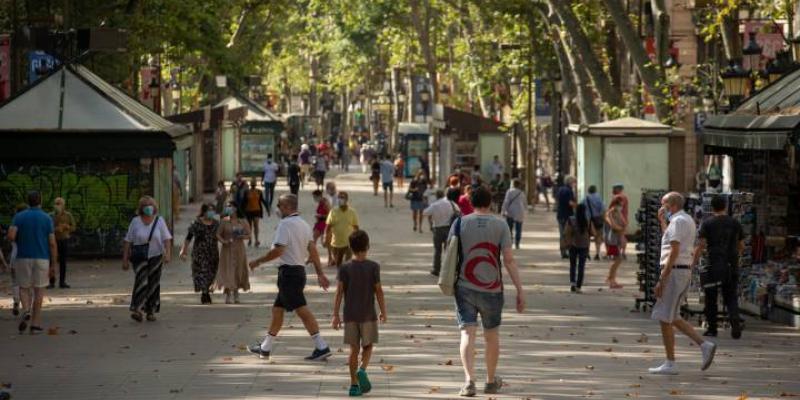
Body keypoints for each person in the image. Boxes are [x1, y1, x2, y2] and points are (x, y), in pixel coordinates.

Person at [449, 186, 525, 397]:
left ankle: (469, 381)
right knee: (491, 336)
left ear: (471, 202)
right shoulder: (501, 224)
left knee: (467, 333)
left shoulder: (460, 222)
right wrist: (519, 289)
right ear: (490, 202)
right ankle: (490, 381)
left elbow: (450, 253)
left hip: (464, 287)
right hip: (492, 289)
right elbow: (508, 260)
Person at [248, 194, 332, 361]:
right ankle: (265, 348)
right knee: (277, 310)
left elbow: (278, 251)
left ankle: (321, 346)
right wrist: (320, 273)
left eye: (279, 205)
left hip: (289, 275)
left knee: (302, 309)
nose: (278, 209)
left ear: (287, 207)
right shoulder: (304, 224)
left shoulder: (285, 225)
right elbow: (313, 251)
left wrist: (258, 261)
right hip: (298, 273)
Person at [649, 192, 716, 375]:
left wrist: (663, 277)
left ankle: (671, 362)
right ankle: (705, 345)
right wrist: (662, 222)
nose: (661, 208)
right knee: (673, 316)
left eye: (663, 205)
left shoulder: (678, 221)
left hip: (675, 271)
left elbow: (674, 250)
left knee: (664, 317)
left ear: (672, 205)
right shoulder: (683, 220)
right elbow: (671, 241)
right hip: (681, 270)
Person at [332, 230, 387, 397]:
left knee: (353, 350)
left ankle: (354, 385)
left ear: (350, 247)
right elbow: (379, 291)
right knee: (368, 346)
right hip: (368, 314)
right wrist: (383, 311)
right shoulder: (373, 267)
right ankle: (362, 369)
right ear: (367, 246)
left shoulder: (345, 267)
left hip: (350, 315)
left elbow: (339, 292)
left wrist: (335, 315)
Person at [692, 195, 744, 339]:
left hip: (714, 264)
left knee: (711, 297)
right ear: (726, 206)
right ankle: (735, 322)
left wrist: (694, 262)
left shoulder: (707, 223)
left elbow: (701, 245)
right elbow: (741, 245)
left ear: (712, 207)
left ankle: (712, 328)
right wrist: (736, 256)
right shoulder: (735, 223)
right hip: (731, 264)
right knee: (731, 296)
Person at [7, 191, 57, 334]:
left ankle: (26, 309)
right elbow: (52, 243)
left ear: (28, 201)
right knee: (39, 290)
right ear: (41, 200)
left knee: (23, 287)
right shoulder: (47, 218)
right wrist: (54, 264)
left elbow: (11, 235)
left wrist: (19, 239)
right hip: (42, 258)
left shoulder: (19, 216)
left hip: (22, 257)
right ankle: (35, 324)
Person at [122, 196, 172, 323]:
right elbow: (128, 241)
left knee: (153, 284)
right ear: (141, 208)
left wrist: (168, 254)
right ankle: (137, 310)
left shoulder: (159, 220)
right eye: (145, 205)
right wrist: (125, 259)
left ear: (154, 207)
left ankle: (151, 311)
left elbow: (167, 239)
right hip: (139, 256)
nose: (148, 207)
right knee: (141, 282)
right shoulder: (135, 221)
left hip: (156, 256)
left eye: (150, 205)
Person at [179, 204, 220, 304]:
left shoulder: (216, 223)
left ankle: (206, 291)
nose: (211, 212)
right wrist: (183, 250)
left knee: (211, 273)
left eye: (212, 210)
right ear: (204, 211)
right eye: (209, 210)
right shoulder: (196, 223)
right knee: (201, 272)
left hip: (213, 253)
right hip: (200, 253)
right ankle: (205, 293)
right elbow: (189, 237)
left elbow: (221, 235)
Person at [216, 201, 251, 304]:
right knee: (228, 271)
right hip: (227, 249)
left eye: (230, 207)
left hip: (239, 249)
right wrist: (224, 241)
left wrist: (242, 236)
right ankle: (227, 295)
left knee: (238, 270)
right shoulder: (224, 221)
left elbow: (249, 235)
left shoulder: (243, 221)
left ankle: (236, 293)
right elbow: (218, 234)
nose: (228, 209)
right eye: (227, 207)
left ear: (235, 208)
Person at [423, 189, 459, 276]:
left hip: (437, 229)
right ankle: (449, 270)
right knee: (449, 250)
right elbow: (458, 211)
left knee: (437, 250)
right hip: (449, 229)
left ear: (436, 196)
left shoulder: (434, 205)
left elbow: (425, 213)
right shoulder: (451, 203)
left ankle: (436, 269)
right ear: (443, 195)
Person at [325, 191, 360, 268]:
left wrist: (357, 240)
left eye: (342, 197)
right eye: (339, 197)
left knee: (347, 264)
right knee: (338, 264)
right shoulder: (333, 211)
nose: (340, 199)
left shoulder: (352, 212)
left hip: (348, 243)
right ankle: (340, 277)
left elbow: (356, 227)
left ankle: (346, 278)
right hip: (336, 243)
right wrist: (325, 237)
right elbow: (328, 226)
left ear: (346, 199)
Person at [564, 203, 592, 293]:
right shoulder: (587, 220)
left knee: (573, 265)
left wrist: (566, 243)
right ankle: (578, 286)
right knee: (581, 266)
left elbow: (566, 232)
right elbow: (592, 233)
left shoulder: (571, 219)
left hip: (573, 245)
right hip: (584, 246)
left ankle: (573, 283)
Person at [50, 197, 76, 289]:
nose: (57, 205)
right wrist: (56, 229)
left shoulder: (68, 215)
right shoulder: (51, 216)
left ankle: (62, 282)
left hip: (64, 239)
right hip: (54, 240)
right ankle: (51, 281)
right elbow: (47, 228)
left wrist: (67, 227)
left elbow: (73, 227)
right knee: (52, 260)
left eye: (59, 203)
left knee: (63, 261)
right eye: (56, 203)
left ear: (63, 205)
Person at [604, 197, 626, 289]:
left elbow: (624, 223)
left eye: (622, 205)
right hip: (613, 238)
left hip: (619, 238)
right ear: (614, 204)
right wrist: (620, 228)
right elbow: (613, 226)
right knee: (617, 259)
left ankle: (611, 279)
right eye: (619, 205)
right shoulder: (609, 213)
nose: (621, 207)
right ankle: (610, 279)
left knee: (618, 259)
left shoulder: (618, 212)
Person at [501, 180, 528, 250]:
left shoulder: (509, 191)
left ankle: (510, 242)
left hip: (510, 212)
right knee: (518, 229)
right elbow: (525, 203)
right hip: (519, 212)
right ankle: (517, 243)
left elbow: (506, 202)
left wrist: (503, 210)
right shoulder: (521, 193)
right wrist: (526, 210)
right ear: (519, 185)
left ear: (513, 184)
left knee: (509, 229)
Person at [556, 176, 576, 259]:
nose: (575, 184)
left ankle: (563, 251)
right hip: (567, 215)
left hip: (560, 214)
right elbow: (570, 203)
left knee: (562, 234)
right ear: (570, 182)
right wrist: (578, 206)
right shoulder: (569, 190)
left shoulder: (560, 189)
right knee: (568, 234)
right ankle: (567, 251)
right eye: (574, 182)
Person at [584, 185, 605, 260]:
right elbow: (603, 209)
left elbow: (582, 209)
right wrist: (602, 218)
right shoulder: (599, 198)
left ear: (588, 191)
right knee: (598, 237)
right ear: (595, 190)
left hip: (588, 220)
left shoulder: (585, 198)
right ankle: (597, 253)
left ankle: (587, 253)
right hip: (598, 220)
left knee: (587, 237)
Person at [244, 178, 267, 247]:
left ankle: (256, 240)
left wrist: (267, 209)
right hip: (248, 211)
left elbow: (263, 200)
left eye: (254, 182)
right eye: (252, 182)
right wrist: (241, 212)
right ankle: (250, 239)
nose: (253, 184)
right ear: (250, 184)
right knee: (249, 226)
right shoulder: (247, 192)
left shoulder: (259, 192)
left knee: (256, 225)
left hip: (257, 210)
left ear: (256, 184)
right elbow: (243, 202)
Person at [612, 184, 629, 259]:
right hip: (623, 218)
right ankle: (623, 252)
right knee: (623, 236)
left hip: (619, 219)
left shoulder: (618, 197)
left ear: (618, 189)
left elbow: (618, 210)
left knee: (619, 236)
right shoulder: (624, 197)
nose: (612, 190)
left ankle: (619, 253)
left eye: (614, 188)